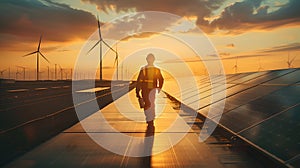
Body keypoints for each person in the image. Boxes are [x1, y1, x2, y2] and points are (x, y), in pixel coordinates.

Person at [136, 53, 164, 126]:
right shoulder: (155, 69)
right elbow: (161, 79)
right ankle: (150, 117)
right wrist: (159, 88)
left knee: (148, 103)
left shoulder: (144, 69)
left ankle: (149, 117)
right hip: (150, 90)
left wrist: (137, 91)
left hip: (147, 90)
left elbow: (139, 80)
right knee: (150, 103)